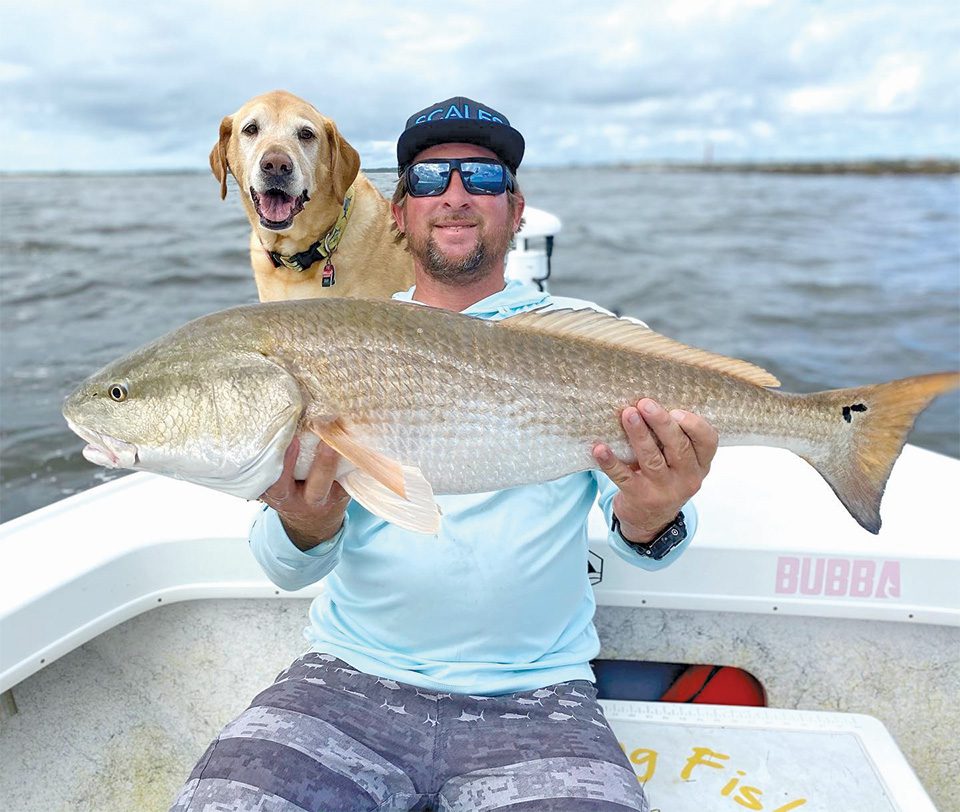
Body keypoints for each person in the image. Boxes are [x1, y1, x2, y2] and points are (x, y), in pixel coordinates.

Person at [171, 96, 719, 812]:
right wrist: (305, 524)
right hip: (345, 680)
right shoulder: (338, 334)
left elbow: (657, 548)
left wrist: (654, 515)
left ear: (516, 211)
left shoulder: (592, 340)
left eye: (482, 180)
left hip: (540, 698)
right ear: (397, 214)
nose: (455, 197)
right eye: (429, 181)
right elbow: (281, 564)